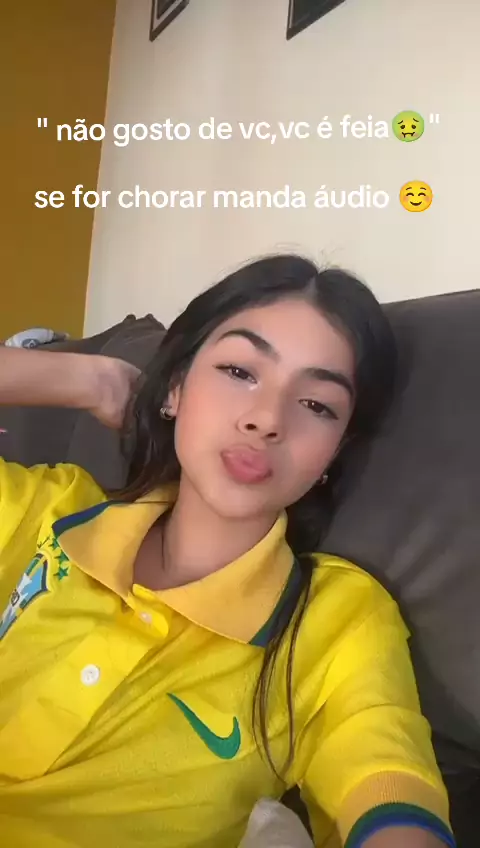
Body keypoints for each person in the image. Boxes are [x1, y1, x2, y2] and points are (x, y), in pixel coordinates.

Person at [0, 255, 455, 848]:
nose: (266, 420)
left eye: (317, 405)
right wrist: (90, 380)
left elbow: (386, 779)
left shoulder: (335, 617)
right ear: (175, 387)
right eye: (240, 371)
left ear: (335, 453)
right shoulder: (50, 509)